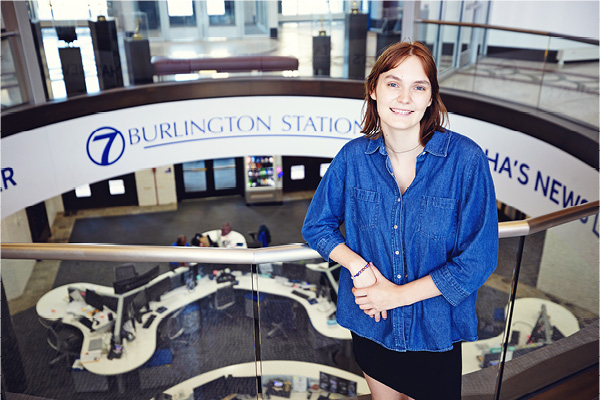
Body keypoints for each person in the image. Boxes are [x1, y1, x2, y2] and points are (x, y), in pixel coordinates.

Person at [302, 41, 498, 400]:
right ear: (374, 89)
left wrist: (394, 296)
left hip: (435, 329)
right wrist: (358, 267)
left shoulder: (465, 160)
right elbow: (316, 226)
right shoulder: (353, 158)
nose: (404, 98)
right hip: (372, 324)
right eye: (393, 83)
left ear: (430, 98)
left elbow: (479, 260)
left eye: (418, 87)